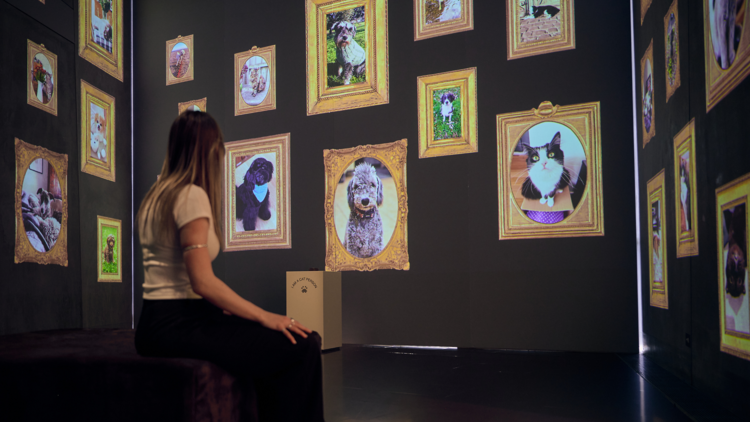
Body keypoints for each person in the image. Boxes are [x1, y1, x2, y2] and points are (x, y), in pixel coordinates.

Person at [135, 111, 324, 421]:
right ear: (210, 151)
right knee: (303, 344)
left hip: (158, 323)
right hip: (178, 326)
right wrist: (266, 317)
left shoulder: (154, 197)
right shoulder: (191, 195)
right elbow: (202, 283)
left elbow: (181, 282)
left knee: (285, 340)